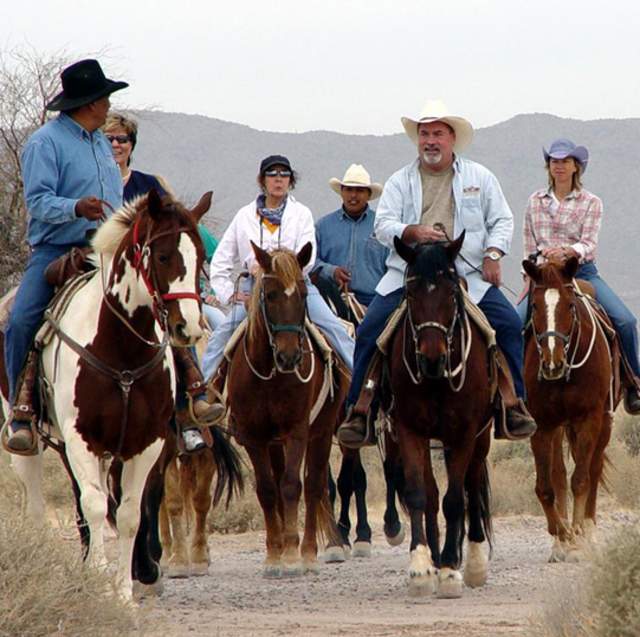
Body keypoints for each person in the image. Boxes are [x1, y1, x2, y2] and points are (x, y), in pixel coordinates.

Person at [337, 99, 537, 448]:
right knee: (370, 330)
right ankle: (360, 409)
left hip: (467, 275)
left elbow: (502, 219)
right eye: (424, 134)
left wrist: (493, 253)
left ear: (452, 139)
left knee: (506, 324)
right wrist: (411, 231)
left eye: (437, 134)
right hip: (409, 274)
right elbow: (383, 225)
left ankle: (513, 403)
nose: (430, 141)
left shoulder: (479, 177)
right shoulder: (401, 181)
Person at [4, 59, 127, 453]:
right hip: (57, 250)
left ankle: (185, 399)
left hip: (105, 248)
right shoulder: (45, 142)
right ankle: (21, 411)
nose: (109, 104)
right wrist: (75, 208)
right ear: (89, 103)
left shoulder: (99, 143)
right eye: (104, 97)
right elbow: (37, 201)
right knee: (22, 319)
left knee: (161, 305)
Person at [103, 112, 222, 451]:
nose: (116, 144)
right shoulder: (90, 179)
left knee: (178, 325)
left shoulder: (149, 185)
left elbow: (173, 233)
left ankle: (191, 407)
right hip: (96, 266)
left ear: (132, 145)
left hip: (145, 277)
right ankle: (28, 405)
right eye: (109, 138)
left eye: (122, 139)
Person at [201, 154, 355, 384]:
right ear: (263, 180)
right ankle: (202, 394)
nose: (278, 179)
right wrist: (230, 294)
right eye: (272, 174)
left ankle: (360, 391)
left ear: (290, 181)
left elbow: (309, 256)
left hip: (297, 285)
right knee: (221, 335)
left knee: (334, 328)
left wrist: (285, 269)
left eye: (284, 174)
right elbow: (221, 261)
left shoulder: (302, 214)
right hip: (256, 288)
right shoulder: (244, 216)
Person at [519, 138, 640, 413]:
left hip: (580, 271)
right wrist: (529, 273)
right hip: (542, 275)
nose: (558, 167)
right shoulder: (534, 201)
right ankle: (514, 394)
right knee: (513, 324)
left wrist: (567, 251)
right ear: (548, 167)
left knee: (625, 320)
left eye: (564, 162)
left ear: (576, 167)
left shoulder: (591, 202)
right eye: (554, 161)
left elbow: (589, 243)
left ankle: (634, 382)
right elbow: (528, 242)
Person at [312, 163, 388, 308]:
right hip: (331, 300)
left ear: (369, 195)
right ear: (342, 192)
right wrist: (331, 271)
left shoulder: (383, 226)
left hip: (374, 301)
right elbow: (310, 262)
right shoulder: (322, 226)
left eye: (359, 190)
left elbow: (393, 265)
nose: (353, 195)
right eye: (349, 190)